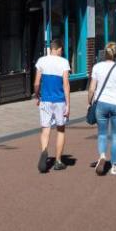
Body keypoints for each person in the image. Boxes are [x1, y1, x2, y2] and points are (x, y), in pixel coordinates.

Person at [88, 42, 116, 176]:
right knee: (115, 135)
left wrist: (89, 102)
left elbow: (91, 88)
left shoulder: (97, 67)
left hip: (101, 104)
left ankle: (102, 156)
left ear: (104, 54)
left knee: (102, 133)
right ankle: (114, 166)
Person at [34, 39, 71, 173]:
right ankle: (58, 161)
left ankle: (44, 151)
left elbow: (37, 83)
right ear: (59, 49)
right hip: (60, 100)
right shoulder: (64, 62)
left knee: (45, 128)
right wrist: (68, 104)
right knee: (60, 129)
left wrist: (37, 95)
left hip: (46, 100)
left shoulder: (42, 61)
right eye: (62, 50)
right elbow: (66, 84)